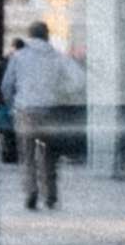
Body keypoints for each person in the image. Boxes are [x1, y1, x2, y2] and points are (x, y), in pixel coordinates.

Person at [5, 14, 89, 213]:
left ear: (29, 36)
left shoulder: (18, 57)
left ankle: (31, 192)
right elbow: (79, 80)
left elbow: (7, 85)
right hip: (51, 110)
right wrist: (62, 92)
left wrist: (12, 103)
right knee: (50, 155)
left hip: (25, 110)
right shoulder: (57, 56)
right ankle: (50, 195)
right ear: (47, 36)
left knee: (27, 154)